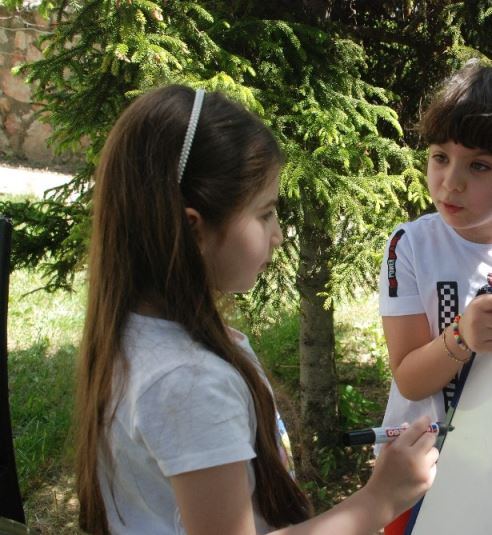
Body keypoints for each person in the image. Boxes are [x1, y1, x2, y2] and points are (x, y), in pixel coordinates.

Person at [74, 85, 439, 535]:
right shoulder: (189, 383)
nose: (278, 235)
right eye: (265, 213)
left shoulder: (140, 331)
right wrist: (380, 498)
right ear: (194, 230)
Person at [377, 60, 492, 533]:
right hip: (418, 478)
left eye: (478, 165)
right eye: (440, 157)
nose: (450, 182)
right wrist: (463, 336)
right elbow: (410, 379)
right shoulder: (409, 246)